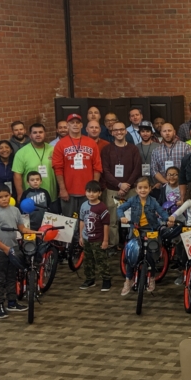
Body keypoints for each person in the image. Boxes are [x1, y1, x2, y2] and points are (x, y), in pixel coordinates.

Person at [118, 176, 170, 295]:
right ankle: (128, 280)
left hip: (151, 230)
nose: (143, 190)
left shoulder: (153, 201)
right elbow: (120, 209)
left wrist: (168, 219)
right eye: (140, 188)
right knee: (132, 256)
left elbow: (161, 212)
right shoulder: (132, 200)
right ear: (136, 189)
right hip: (136, 230)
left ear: (150, 189)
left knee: (151, 255)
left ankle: (151, 278)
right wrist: (122, 217)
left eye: (145, 187)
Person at [0, 184, 30, 318]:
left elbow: (22, 228)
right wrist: (4, 248)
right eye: (0, 197)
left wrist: (37, 232)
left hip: (13, 248)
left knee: (11, 276)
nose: (4, 199)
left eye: (6, 196)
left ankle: (12, 302)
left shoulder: (15, 210)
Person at [101, 120, 143, 248]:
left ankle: (133, 243)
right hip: (112, 190)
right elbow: (105, 170)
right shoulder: (107, 149)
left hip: (130, 190)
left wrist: (127, 185)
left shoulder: (133, 149)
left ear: (125, 131)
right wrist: (119, 185)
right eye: (116, 130)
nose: (119, 132)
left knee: (133, 218)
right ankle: (113, 245)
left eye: (121, 129)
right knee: (112, 220)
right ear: (112, 132)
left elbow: (137, 169)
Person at [52, 113, 103, 219]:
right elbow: (58, 168)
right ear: (68, 125)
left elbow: (97, 167)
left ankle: (85, 236)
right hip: (69, 191)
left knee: (89, 220)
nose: (75, 125)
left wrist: (94, 188)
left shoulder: (91, 143)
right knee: (70, 222)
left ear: (81, 125)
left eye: (77, 122)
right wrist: (62, 189)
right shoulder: (60, 144)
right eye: (72, 122)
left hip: (88, 192)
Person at [12, 123, 57, 209]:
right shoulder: (21, 153)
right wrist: (20, 194)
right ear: (30, 135)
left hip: (51, 196)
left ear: (45, 133)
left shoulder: (53, 150)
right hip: (31, 198)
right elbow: (17, 175)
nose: (38, 135)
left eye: (40, 132)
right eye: (35, 132)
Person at [78, 181, 112, 292]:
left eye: (94, 192)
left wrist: (105, 240)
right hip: (86, 238)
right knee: (87, 260)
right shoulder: (84, 205)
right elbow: (82, 221)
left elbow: (106, 225)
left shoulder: (102, 208)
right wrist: (81, 236)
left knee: (101, 260)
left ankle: (106, 280)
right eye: (88, 191)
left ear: (99, 193)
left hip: (98, 239)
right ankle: (90, 279)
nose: (91, 194)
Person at [151, 123, 191, 187]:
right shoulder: (156, 151)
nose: (167, 133)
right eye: (164, 131)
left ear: (174, 132)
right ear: (161, 133)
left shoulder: (186, 147)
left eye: (169, 131)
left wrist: (181, 182)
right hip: (164, 186)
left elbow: (190, 167)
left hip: (182, 186)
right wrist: (166, 183)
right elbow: (154, 170)